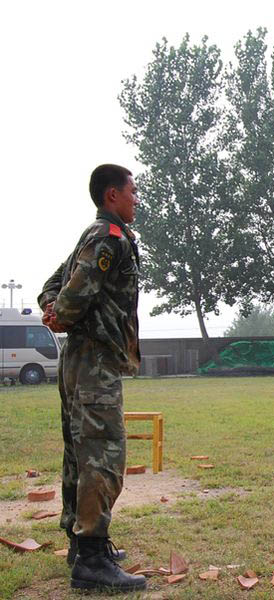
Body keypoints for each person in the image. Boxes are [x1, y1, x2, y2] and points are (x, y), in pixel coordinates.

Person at [38, 164, 145, 593]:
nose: (136, 198)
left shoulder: (99, 236)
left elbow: (53, 284)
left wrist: (55, 310)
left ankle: (80, 545)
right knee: (103, 454)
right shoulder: (106, 238)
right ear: (111, 195)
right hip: (93, 362)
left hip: (80, 362)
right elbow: (72, 293)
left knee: (80, 453)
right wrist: (60, 314)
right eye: (132, 191)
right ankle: (92, 557)